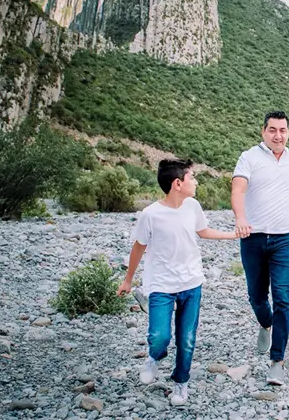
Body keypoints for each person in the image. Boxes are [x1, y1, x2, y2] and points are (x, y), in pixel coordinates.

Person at [117, 159, 241, 407]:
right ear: (177, 183)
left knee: (187, 339)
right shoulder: (150, 214)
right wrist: (128, 280)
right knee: (160, 336)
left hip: (192, 283)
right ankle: (155, 356)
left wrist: (233, 235)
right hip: (161, 285)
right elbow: (138, 247)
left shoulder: (193, 206)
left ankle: (181, 382)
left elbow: (203, 231)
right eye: (192, 177)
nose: (196, 182)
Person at [231, 111, 289, 386]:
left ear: (288, 132)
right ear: (263, 131)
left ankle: (277, 360)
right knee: (257, 296)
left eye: (282, 130)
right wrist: (240, 217)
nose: (278, 135)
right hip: (253, 237)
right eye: (272, 130)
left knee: (283, 296)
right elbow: (238, 189)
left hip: (286, 238)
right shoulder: (249, 157)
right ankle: (265, 323)